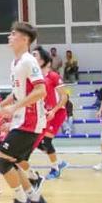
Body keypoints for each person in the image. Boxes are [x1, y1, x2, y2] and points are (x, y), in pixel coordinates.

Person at [0, 23, 48, 203]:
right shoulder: (16, 63)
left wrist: (14, 108)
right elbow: (17, 93)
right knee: (12, 162)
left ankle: (20, 201)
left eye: (13, 34)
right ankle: (35, 200)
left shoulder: (29, 61)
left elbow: (41, 91)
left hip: (30, 121)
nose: (9, 36)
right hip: (21, 120)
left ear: (25, 40)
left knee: (1, 160)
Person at [31, 46, 70, 180]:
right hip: (43, 113)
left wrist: (54, 110)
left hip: (57, 112)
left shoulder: (53, 76)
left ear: (43, 60)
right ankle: (58, 162)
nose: (31, 57)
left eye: (35, 55)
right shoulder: (35, 77)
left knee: (46, 141)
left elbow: (64, 97)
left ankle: (55, 169)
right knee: (36, 142)